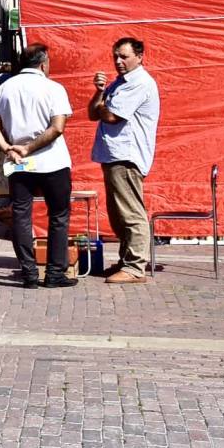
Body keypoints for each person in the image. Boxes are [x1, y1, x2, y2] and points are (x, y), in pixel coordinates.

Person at [0, 45, 75, 289]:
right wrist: (30, 147)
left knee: (21, 215)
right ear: (44, 64)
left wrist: (9, 148)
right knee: (58, 215)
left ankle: (29, 272)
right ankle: (55, 272)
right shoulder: (54, 88)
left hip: (19, 163)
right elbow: (57, 127)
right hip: (52, 160)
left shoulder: (3, 89)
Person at [89, 36, 160, 284]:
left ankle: (135, 266)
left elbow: (110, 116)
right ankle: (126, 260)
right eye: (115, 56)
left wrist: (102, 106)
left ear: (139, 57)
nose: (118, 61)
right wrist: (99, 93)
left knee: (131, 212)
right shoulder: (119, 83)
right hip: (114, 154)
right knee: (119, 213)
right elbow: (93, 112)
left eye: (124, 56)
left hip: (127, 155)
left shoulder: (138, 83)